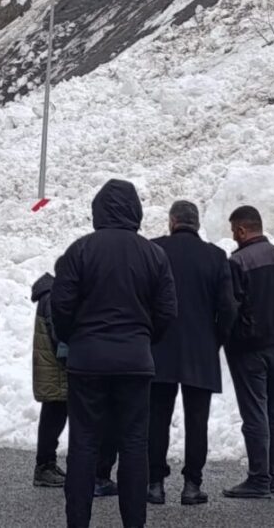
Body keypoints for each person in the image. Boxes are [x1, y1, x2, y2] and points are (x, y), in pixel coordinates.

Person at [50, 180, 177, 528]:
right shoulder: (153, 254)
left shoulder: (80, 250)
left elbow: (59, 306)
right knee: (134, 445)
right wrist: (144, 338)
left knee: (84, 444)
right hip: (135, 361)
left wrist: (74, 337)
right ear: (135, 211)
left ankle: (77, 521)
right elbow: (167, 311)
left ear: (97, 211)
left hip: (87, 361)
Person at [147, 201, 237, 506]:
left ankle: (154, 484)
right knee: (197, 421)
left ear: (172, 222)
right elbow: (227, 308)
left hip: (158, 349)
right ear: (196, 224)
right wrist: (215, 341)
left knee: (156, 418)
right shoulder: (215, 256)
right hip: (201, 351)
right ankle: (191, 485)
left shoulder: (154, 250)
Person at [222, 205, 274, 499]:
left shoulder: (238, 262)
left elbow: (231, 307)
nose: (233, 237)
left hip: (249, 349)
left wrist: (226, 337)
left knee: (254, 413)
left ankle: (258, 478)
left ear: (242, 230)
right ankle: (273, 477)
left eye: (234, 232)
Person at [30, 263, 68, 488]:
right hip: (57, 370)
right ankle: (44, 466)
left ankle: (47, 464)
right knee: (54, 418)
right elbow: (59, 336)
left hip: (51, 369)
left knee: (53, 417)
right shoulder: (55, 299)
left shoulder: (50, 294)